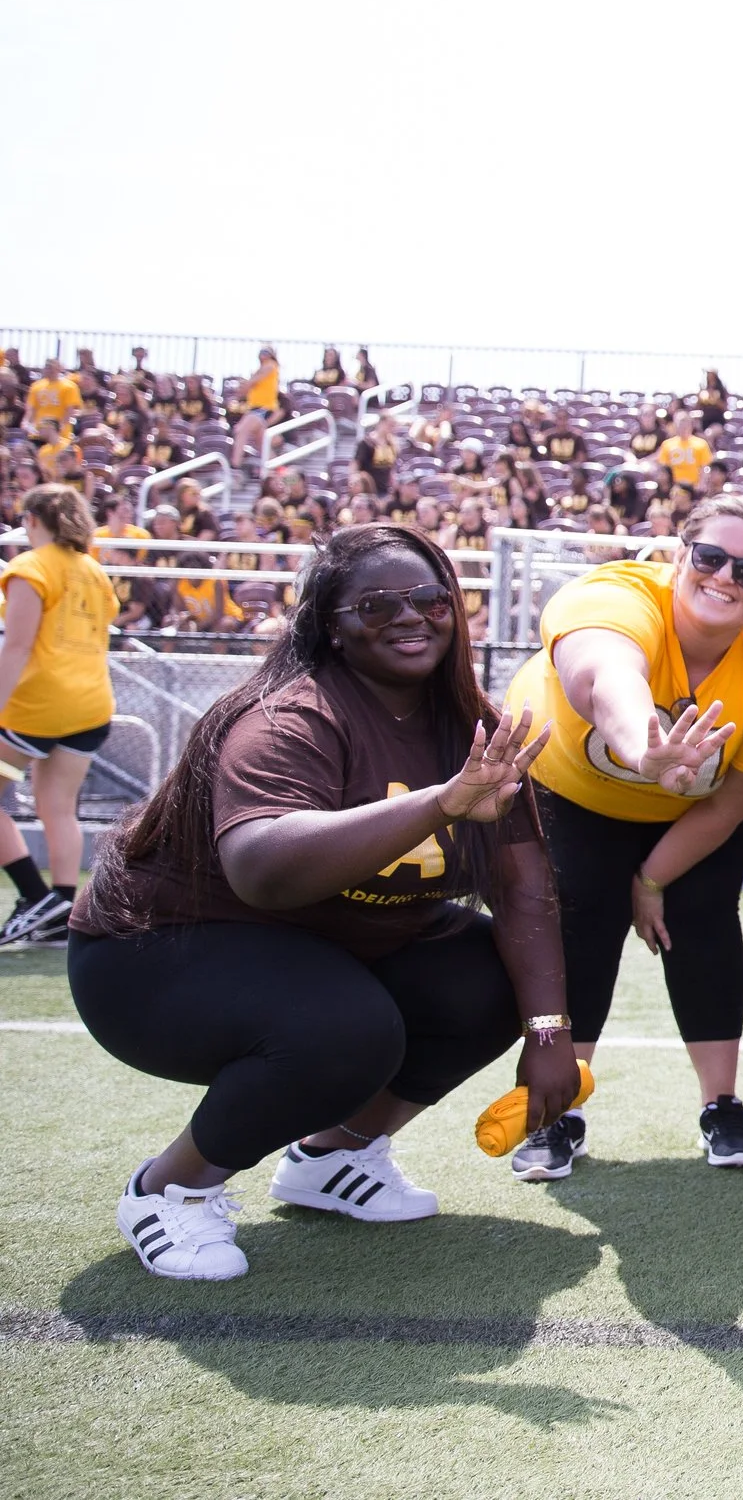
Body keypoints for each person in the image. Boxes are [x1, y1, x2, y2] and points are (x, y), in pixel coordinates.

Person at [65, 525, 567, 1280]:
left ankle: (333, 1158)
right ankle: (168, 1188)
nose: (410, 616)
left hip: (323, 946)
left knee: (486, 979)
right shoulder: (288, 716)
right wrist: (443, 801)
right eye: (376, 604)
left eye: (430, 597)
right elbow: (263, 870)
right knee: (347, 1028)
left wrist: (550, 1030)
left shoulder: (471, 725)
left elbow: (525, 887)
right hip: (156, 954)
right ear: (330, 624)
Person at [502, 495, 743, 1177]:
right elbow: (605, 673)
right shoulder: (613, 594)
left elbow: (736, 800)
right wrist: (644, 746)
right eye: (709, 557)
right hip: (570, 790)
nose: (725, 577)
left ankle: (722, 1105)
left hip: (696, 812)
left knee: (700, 919)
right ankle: (560, 1106)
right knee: (583, 917)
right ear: (680, 557)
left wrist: (652, 878)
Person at [0, 487, 119, 947]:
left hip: (39, 711)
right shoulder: (92, 569)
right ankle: (61, 905)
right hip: (90, 706)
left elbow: (17, 646)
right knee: (57, 805)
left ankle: (34, 897)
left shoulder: (30, 567)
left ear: (33, 520)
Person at [27, 359, 82, 433]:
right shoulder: (36, 386)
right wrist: (28, 424)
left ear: (59, 369)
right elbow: (32, 409)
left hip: (60, 432)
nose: (49, 370)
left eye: (51, 367)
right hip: (38, 430)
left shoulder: (70, 386)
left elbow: (70, 410)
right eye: (47, 367)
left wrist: (62, 427)